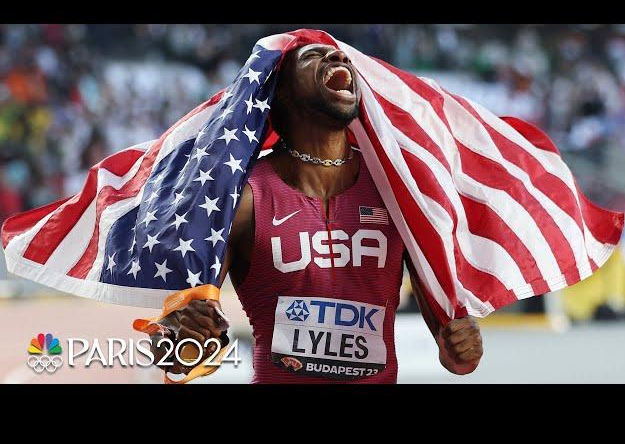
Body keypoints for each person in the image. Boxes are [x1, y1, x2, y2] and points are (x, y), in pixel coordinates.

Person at [151, 43, 484, 383]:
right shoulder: (245, 198)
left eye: (342, 57)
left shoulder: (395, 187)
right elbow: (177, 358)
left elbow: (457, 359)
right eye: (312, 57)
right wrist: (181, 335)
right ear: (283, 95)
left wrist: (459, 346)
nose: (338, 58)